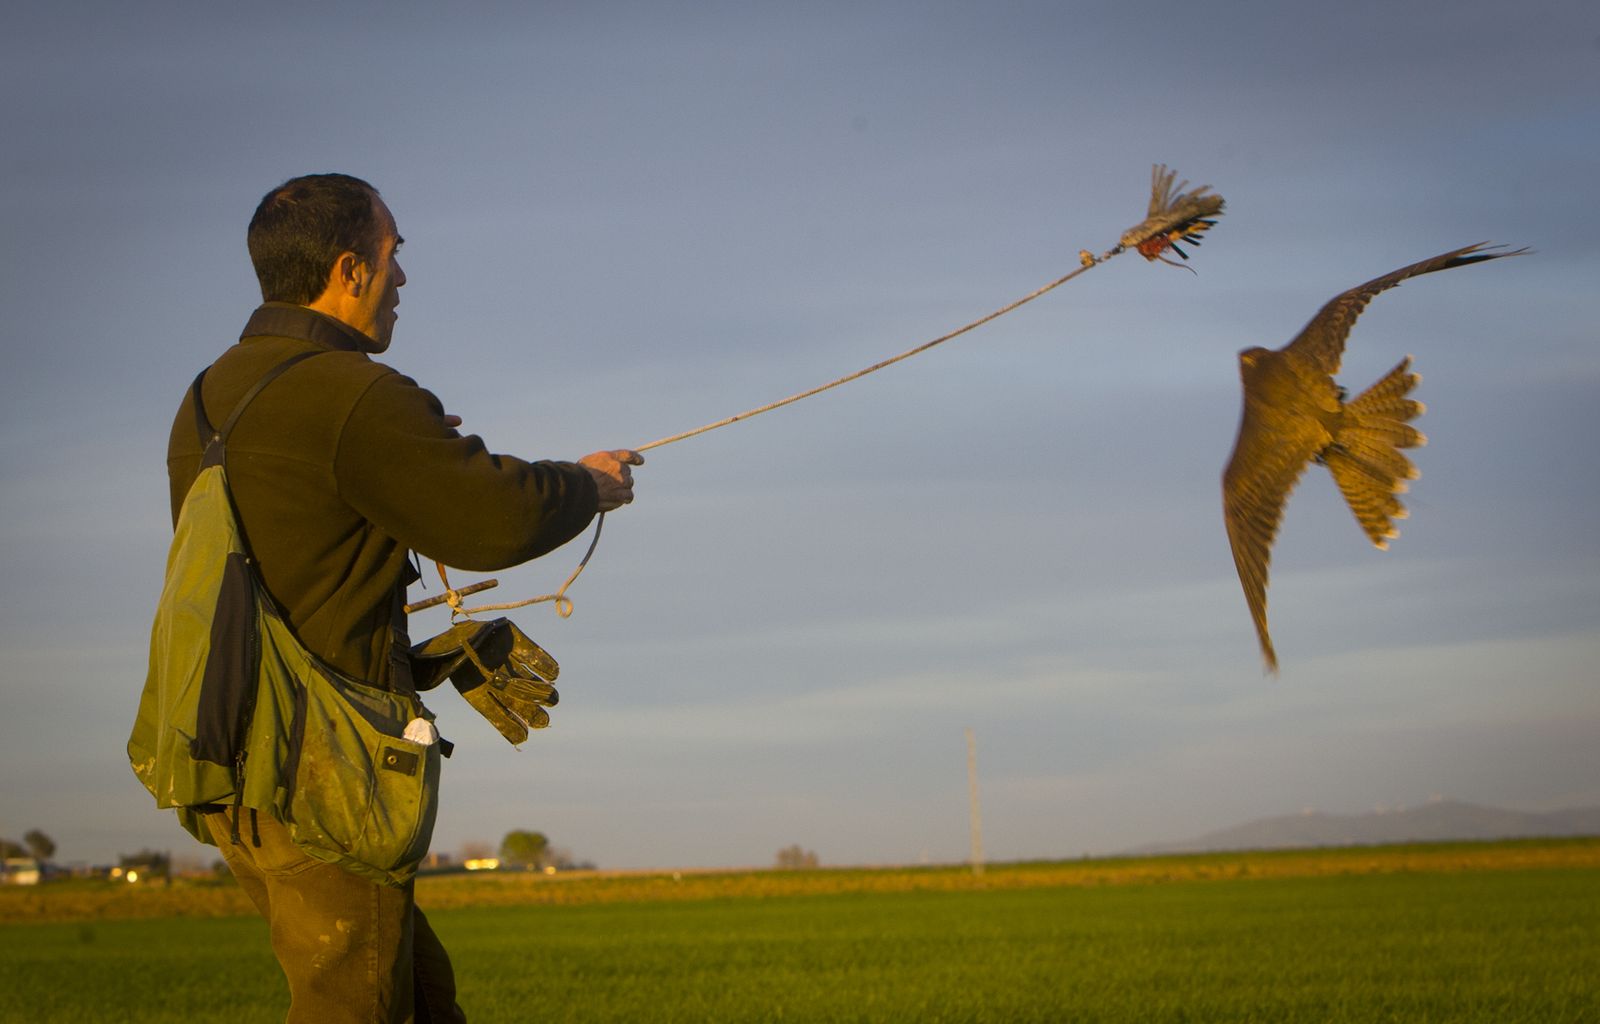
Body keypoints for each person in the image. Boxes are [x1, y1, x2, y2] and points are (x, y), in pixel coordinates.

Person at [163, 173, 642, 1023]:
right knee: (360, 1008)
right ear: (350, 269)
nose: (403, 280)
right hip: (320, 776)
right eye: (395, 256)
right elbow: (491, 520)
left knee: (420, 999)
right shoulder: (351, 393)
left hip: (228, 761)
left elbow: (298, 574)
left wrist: (413, 457)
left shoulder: (209, 397)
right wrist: (587, 484)